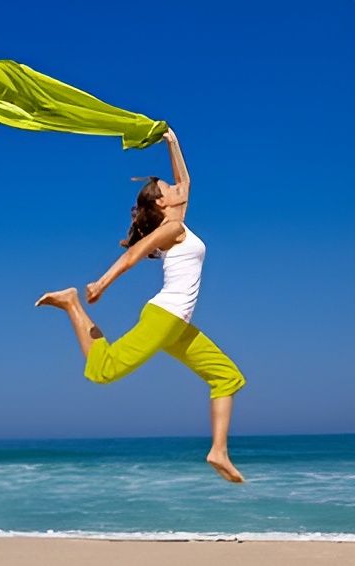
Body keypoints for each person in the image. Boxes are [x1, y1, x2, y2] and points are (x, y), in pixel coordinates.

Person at [35, 127, 247, 483]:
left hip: (176, 325)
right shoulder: (172, 228)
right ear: (162, 204)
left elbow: (186, 179)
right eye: (168, 189)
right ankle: (72, 303)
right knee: (104, 371)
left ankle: (218, 451)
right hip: (164, 316)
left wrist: (172, 141)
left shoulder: (179, 221)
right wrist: (101, 282)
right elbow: (134, 253)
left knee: (227, 376)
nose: (176, 188)